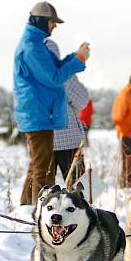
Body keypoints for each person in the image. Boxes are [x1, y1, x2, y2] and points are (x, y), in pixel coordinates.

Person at [13, 1, 90, 205]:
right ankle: (40, 211)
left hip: (43, 118)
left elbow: (54, 71)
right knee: (45, 170)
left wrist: (77, 58)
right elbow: (56, 78)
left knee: (40, 167)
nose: (54, 26)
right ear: (41, 21)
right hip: (46, 120)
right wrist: (78, 61)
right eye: (52, 22)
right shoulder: (33, 49)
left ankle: (27, 207)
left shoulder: (36, 46)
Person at [45, 38, 89, 189]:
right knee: (80, 187)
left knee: (44, 187)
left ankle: (37, 210)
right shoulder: (64, 74)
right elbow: (82, 100)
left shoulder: (32, 76)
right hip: (68, 137)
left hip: (42, 138)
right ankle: (85, 210)